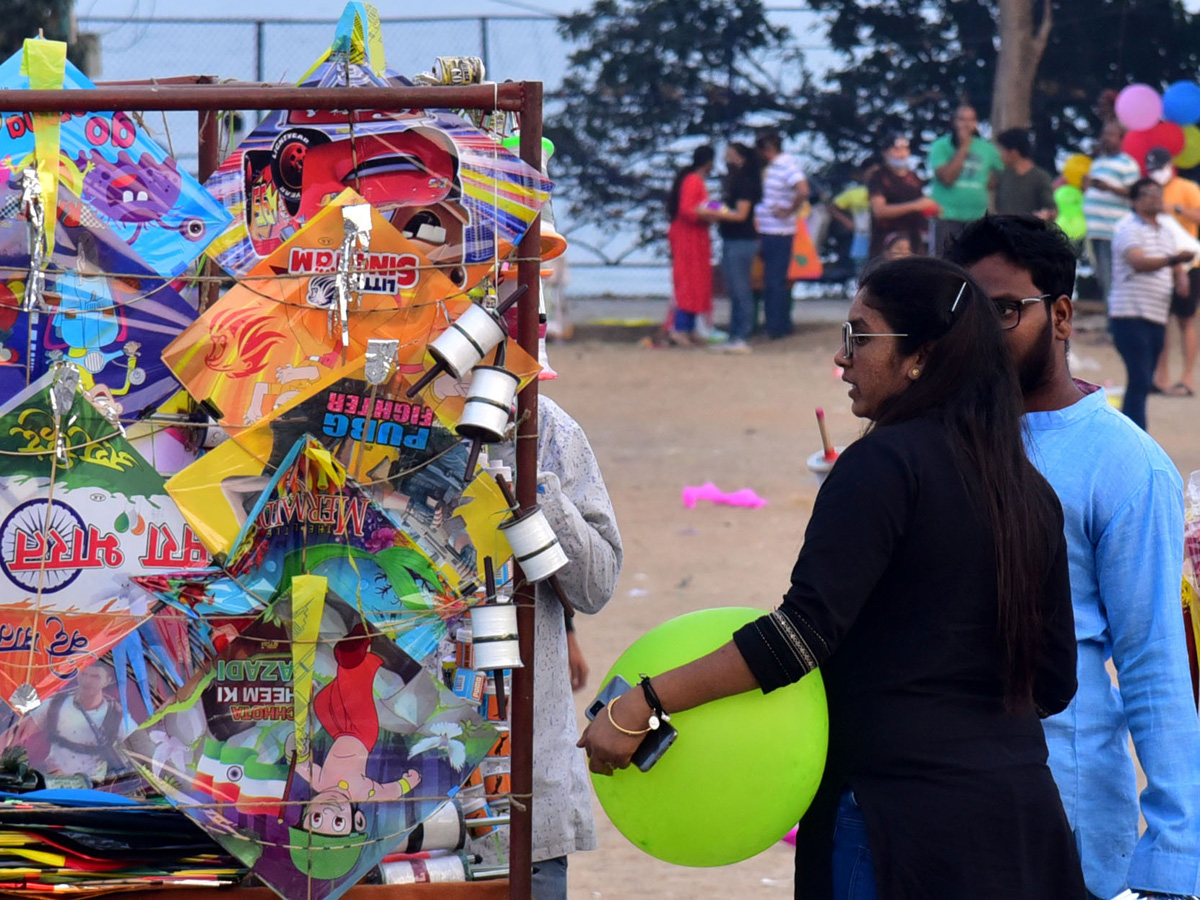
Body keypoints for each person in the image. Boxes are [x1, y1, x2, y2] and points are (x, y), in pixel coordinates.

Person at [580, 256, 1085, 899]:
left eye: (859, 336)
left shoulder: (883, 464)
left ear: (920, 357)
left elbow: (799, 637)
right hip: (1017, 820)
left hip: (892, 822)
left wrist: (641, 705)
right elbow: (1054, 681)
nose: (842, 360)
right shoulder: (1028, 488)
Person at [947, 214, 1200, 900]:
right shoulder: (940, 438)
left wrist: (1175, 858)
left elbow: (1153, 663)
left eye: (1005, 310)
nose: (982, 335)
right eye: (969, 313)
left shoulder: (1123, 461)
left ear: (1060, 315)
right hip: (944, 812)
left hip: (1069, 820)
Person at [481, 395, 623, 900]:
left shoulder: (545, 426)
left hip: (521, 796)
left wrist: (536, 486)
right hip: (378, 800)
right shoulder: (347, 415)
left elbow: (596, 585)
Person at [1108, 178, 1194, 430]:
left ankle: (1128, 432)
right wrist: (1174, 260)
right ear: (1134, 201)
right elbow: (1139, 262)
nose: (1156, 197)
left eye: (1159, 193)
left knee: (1143, 379)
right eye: (1148, 194)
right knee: (1141, 377)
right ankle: (1134, 433)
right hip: (1129, 314)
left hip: (1156, 316)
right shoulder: (1128, 227)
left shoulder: (1166, 230)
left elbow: (1174, 262)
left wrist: (1180, 276)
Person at [1148, 146, 1200, 397]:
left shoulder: (1187, 188)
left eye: (1159, 168)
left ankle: (1188, 377)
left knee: (1186, 320)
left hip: (1189, 262)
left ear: (1170, 165)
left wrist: (1176, 209)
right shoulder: (1149, 191)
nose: (1156, 174)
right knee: (1161, 321)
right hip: (1162, 262)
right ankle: (1162, 376)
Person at [753, 130, 809, 339]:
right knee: (774, 279)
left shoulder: (786, 166)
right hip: (770, 228)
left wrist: (790, 209)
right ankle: (778, 323)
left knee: (774, 280)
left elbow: (802, 190)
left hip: (778, 230)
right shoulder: (774, 168)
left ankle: (776, 326)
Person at [926, 104, 1003, 253]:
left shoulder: (988, 149)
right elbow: (947, 178)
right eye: (962, 119)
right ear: (954, 122)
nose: (966, 124)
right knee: (945, 261)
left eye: (971, 120)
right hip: (947, 216)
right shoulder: (940, 146)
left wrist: (989, 183)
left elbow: (1000, 176)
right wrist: (963, 147)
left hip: (977, 218)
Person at [665, 145, 720, 346]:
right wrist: (717, 212)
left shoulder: (694, 180)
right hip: (688, 238)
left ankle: (690, 327)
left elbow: (703, 203)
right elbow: (689, 209)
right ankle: (680, 328)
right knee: (688, 282)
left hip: (695, 238)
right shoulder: (693, 180)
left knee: (697, 282)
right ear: (709, 162)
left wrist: (719, 206)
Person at [1083, 120, 1141, 306]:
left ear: (1121, 139)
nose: (1105, 138)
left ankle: (1113, 323)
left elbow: (1135, 193)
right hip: (1094, 230)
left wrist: (1109, 188)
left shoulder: (1128, 164)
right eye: (1104, 134)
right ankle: (1111, 317)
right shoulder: (1098, 162)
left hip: (1112, 229)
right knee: (1101, 276)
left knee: (1110, 277)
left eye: (1110, 134)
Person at [711, 142, 762, 354]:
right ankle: (734, 334)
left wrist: (717, 213)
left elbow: (741, 214)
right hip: (732, 239)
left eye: (729, 154)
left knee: (741, 289)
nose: (725, 158)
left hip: (742, 240)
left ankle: (742, 335)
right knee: (733, 288)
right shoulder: (734, 181)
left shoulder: (746, 183)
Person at [867, 134, 937, 259]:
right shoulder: (879, 177)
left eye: (905, 149)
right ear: (885, 153)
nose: (901, 154)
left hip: (914, 241)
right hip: (888, 241)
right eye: (896, 150)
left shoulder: (914, 178)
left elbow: (922, 206)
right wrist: (915, 206)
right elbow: (879, 211)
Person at [828, 155, 878, 279]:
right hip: (862, 237)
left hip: (882, 238)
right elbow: (833, 207)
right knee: (862, 272)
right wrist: (848, 223)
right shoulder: (854, 193)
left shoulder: (889, 192)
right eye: (871, 173)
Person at [994, 128, 1056, 219]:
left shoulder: (1040, 177)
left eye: (1002, 150)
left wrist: (1046, 215)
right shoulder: (1004, 176)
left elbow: (1053, 210)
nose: (1000, 155)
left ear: (1013, 152)